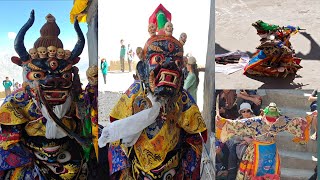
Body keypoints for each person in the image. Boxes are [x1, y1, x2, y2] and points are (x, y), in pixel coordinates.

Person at [216, 102, 310, 179]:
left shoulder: (280, 121)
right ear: (264, 114)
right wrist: (223, 122)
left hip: (269, 151)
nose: (271, 120)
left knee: (270, 172)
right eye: (270, 117)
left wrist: (307, 120)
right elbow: (238, 124)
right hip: (257, 150)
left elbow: (294, 123)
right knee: (254, 173)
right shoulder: (257, 121)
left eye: (273, 118)